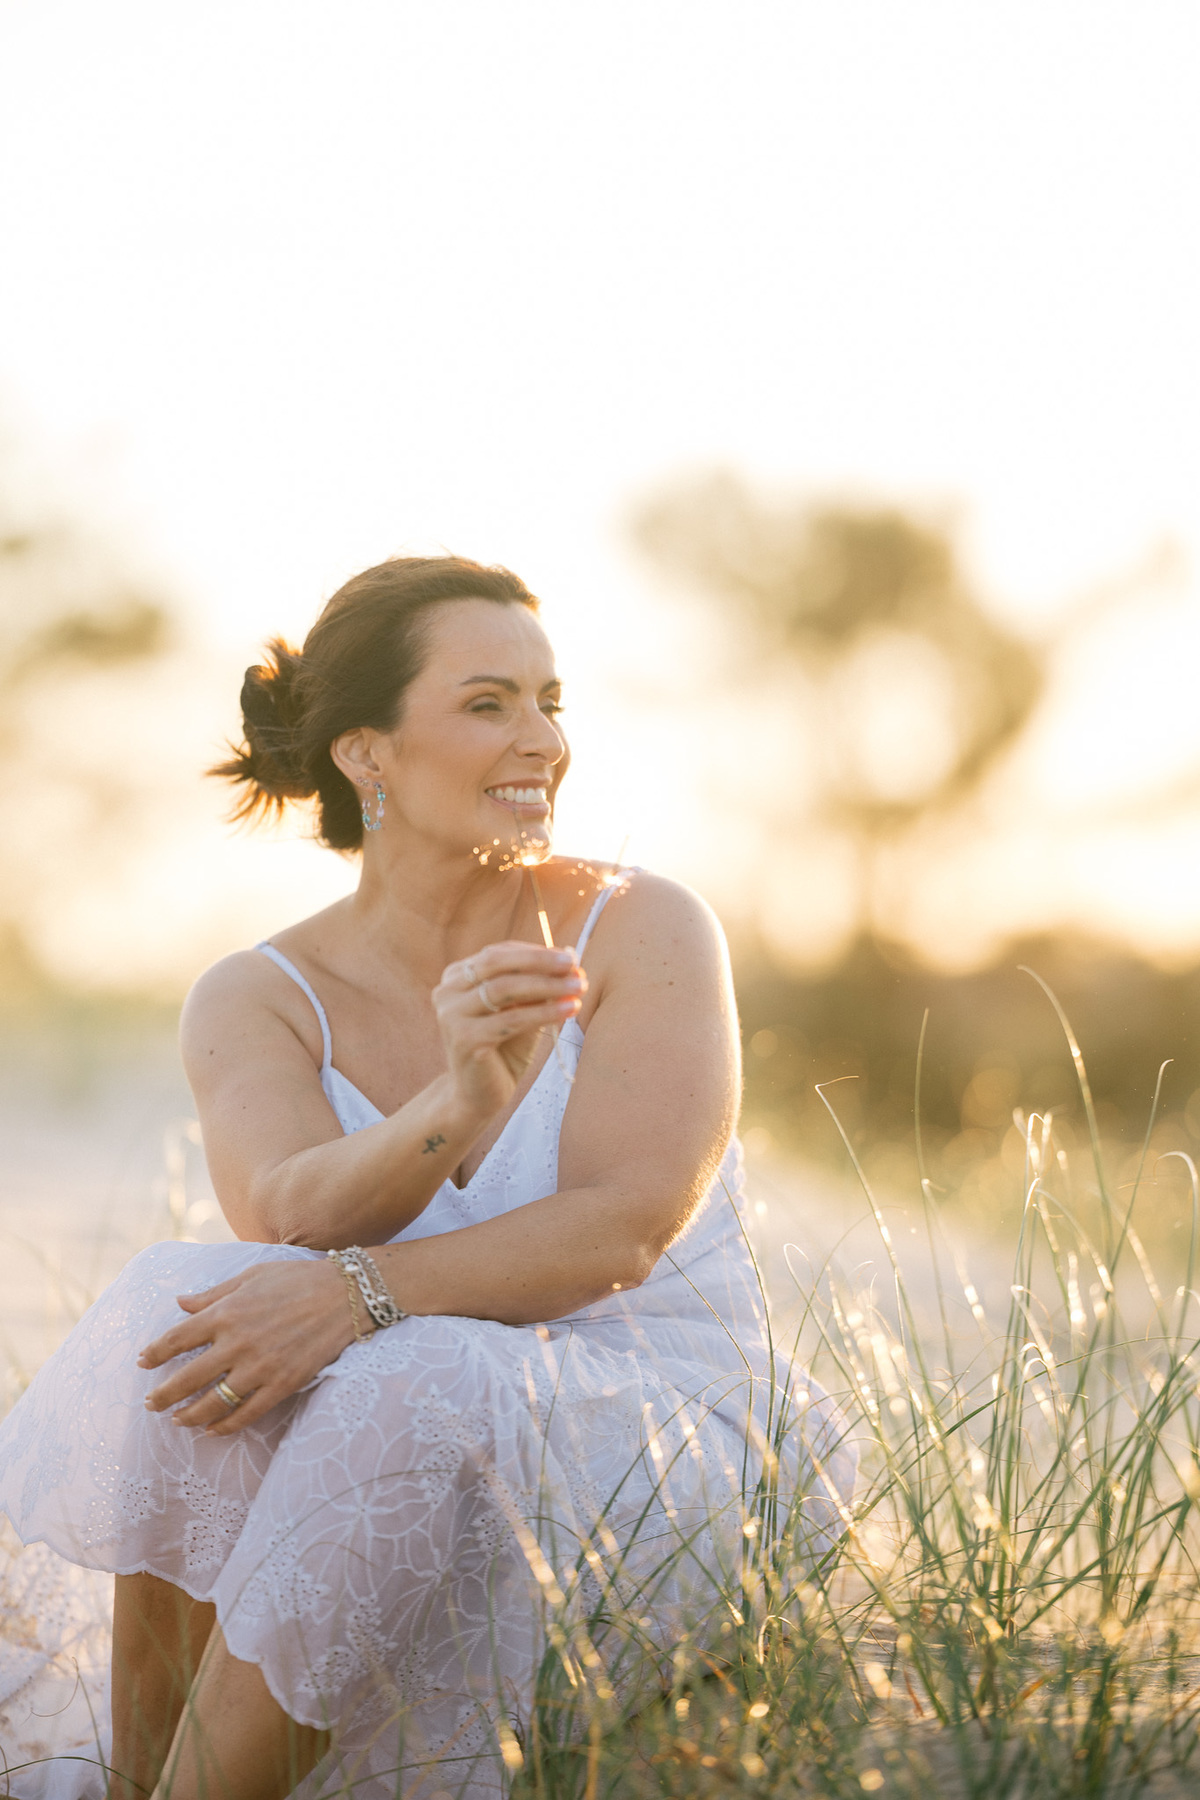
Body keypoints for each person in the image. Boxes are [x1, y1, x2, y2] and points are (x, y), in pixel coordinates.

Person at [0, 555, 854, 1800]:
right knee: (174, 1304)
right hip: (381, 1436)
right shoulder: (255, 995)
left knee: (412, 1371)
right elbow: (286, 1211)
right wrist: (458, 1106)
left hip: (660, 1432)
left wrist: (364, 1296)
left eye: (551, 702)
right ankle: (142, 1780)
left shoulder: (643, 925)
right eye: (489, 703)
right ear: (367, 754)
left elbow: (623, 1228)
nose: (543, 741)